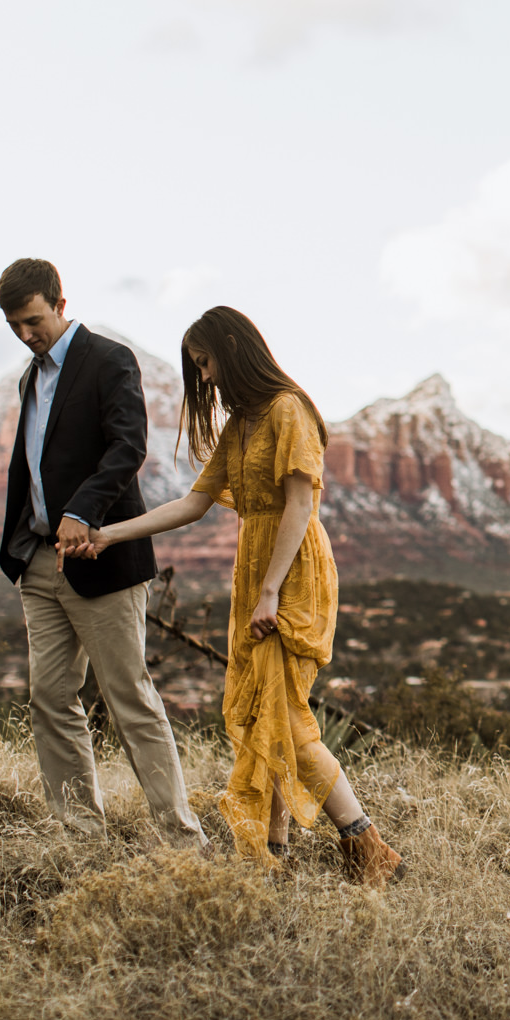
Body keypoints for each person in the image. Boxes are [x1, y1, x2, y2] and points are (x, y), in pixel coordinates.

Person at [65, 305, 404, 885]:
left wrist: (270, 592)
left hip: (290, 571)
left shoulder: (287, 409)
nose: (205, 377)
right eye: (197, 368)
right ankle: (274, 851)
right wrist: (107, 535)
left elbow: (300, 504)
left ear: (232, 347)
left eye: (205, 362)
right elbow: (193, 504)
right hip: (255, 570)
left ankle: (367, 845)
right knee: (261, 710)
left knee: (289, 719)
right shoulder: (242, 423)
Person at [0, 258, 208, 849]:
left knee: (129, 697)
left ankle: (181, 840)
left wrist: (83, 511)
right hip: (38, 562)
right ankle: (81, 836)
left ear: (61, 304)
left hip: (103, 561)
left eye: (33, 321)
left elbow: (127, 446)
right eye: (14, 325)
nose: (25, 334)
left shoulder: (110, 360)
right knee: (51, 699)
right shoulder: (27, 377)